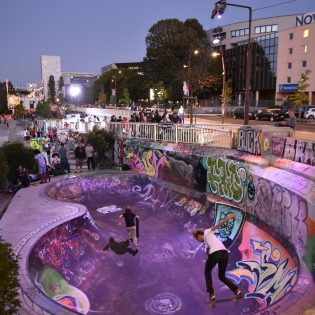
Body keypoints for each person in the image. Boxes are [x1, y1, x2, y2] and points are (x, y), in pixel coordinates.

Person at [192, 213, 242, 302]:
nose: (199, 241)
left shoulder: (207, 232)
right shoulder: (209, 239)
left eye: (198, 239)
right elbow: (211, 246)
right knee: (222, 276)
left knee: (207, 271)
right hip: (225, 254)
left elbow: (217, 226)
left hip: (216, 254)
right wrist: (208, 250)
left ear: (200, 235)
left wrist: (228, 218)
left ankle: (211, 293)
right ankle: (237, 290)